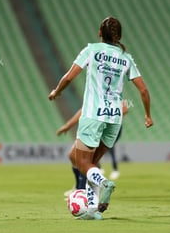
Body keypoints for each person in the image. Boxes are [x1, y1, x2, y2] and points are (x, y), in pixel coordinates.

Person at [49, 17, 153, 220]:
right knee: (93, 162)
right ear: (119, 36)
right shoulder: (126, 58)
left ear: (99, 33)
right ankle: (93, 211)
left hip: (93, 115)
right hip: (114, 118)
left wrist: (57, 91)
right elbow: (143, 90)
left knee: (81, 162)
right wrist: (148, 115)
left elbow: (69, 76)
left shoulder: (92, 49)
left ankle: (104, 183)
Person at [58, 103, 128, 199]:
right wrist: (68, 125)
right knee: (73, 156)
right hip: (95, 123)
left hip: (102, 125)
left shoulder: (109, 93)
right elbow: (83, 109)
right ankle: (81, 189)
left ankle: (83, 192)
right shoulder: (94, 94)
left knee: (86, 160)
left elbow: (124, 108)